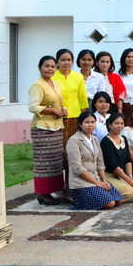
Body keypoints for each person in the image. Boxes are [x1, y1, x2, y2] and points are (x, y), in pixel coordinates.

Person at [28, 55, 67, 205]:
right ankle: (43, 193)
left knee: (55, 162)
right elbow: (32, 106)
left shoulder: (55, 84)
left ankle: (54, 190)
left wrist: (63, 110)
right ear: (40, 67)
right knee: (43, 162)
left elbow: (59, 102)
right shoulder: (38, 85)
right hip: (42, 129)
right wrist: (51, 111)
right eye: (47, 66)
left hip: (57, 128)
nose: (50, 69)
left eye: (52, 66)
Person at [66, 110, 122, 210]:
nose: (90, 125)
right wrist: (97, 183)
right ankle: (79, 203)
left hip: (96, 178)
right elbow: (77, 168)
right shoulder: (74, 140)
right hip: (81, 183)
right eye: (87, 122)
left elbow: (100, 162)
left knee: (118, 200)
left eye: (93, 122)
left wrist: (104, 181)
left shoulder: (94, 138)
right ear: (80, 124)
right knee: (110, 203)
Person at [54, 48, 89, 191]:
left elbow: (82, 98)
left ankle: (72, 186)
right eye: (63, 59)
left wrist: (83, 120)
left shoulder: (78, 77)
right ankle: (58, 187)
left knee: (73, 152)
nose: (66, 62)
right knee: (59, 153)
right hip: (57, 119)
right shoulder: (53, 76)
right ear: (57, 61)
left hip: (75, 119)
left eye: (69, 60)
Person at [100, 113, 133, 203]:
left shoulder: (123, 138)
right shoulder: (106, 141)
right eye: (116, 123)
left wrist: (130, 177)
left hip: (122, 175)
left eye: (121, 123)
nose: (119, 126)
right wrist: (130, 181)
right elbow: (113, 165)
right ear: (110, 125)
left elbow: (128, 159)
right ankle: (114, 200)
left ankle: (117, 198)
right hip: (109, 175)